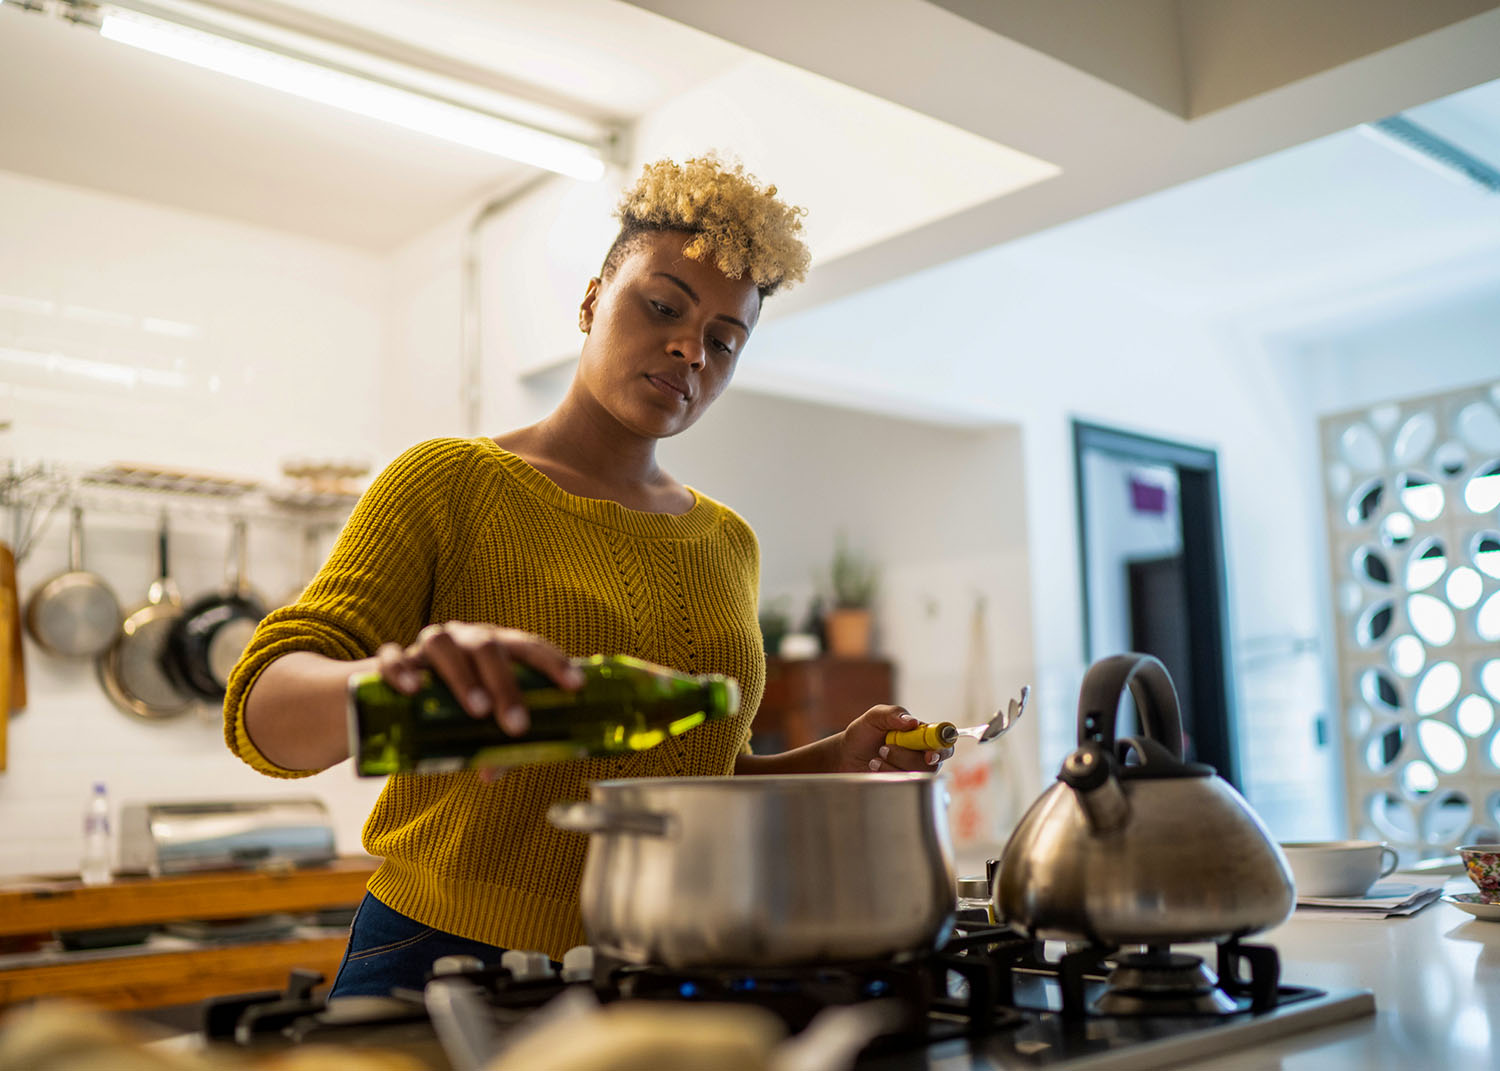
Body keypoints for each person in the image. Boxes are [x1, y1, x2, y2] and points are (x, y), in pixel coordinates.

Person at [224, 154, 953, 997]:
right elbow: (262, 709)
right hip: (447, 959)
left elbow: (692, 778)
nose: (690, 348)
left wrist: (830, 761)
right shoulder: (450, 481)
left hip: (670, 957)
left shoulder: (729, 542)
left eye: (724, 340)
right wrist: (392, 684)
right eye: (663, 306)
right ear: (589, 302)